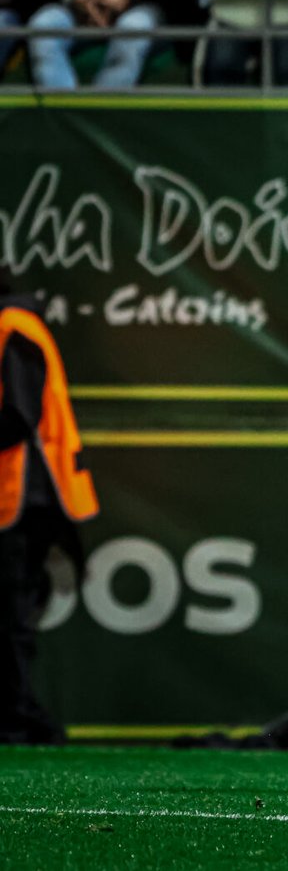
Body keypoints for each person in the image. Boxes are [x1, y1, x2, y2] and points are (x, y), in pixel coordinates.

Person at [0, 273, 99, 744]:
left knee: (12, 613)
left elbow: (18, 416)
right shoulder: (18, 322)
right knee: (15, 612)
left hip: (24, 497)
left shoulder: (12, 326)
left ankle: (18, 718)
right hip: (28, 495)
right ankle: (21, 715)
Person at [26, 0, 193, 89]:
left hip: (146, 3)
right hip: (78, 5)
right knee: (44, 26)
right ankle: (63, 118)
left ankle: (100, 119)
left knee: (131, 28)